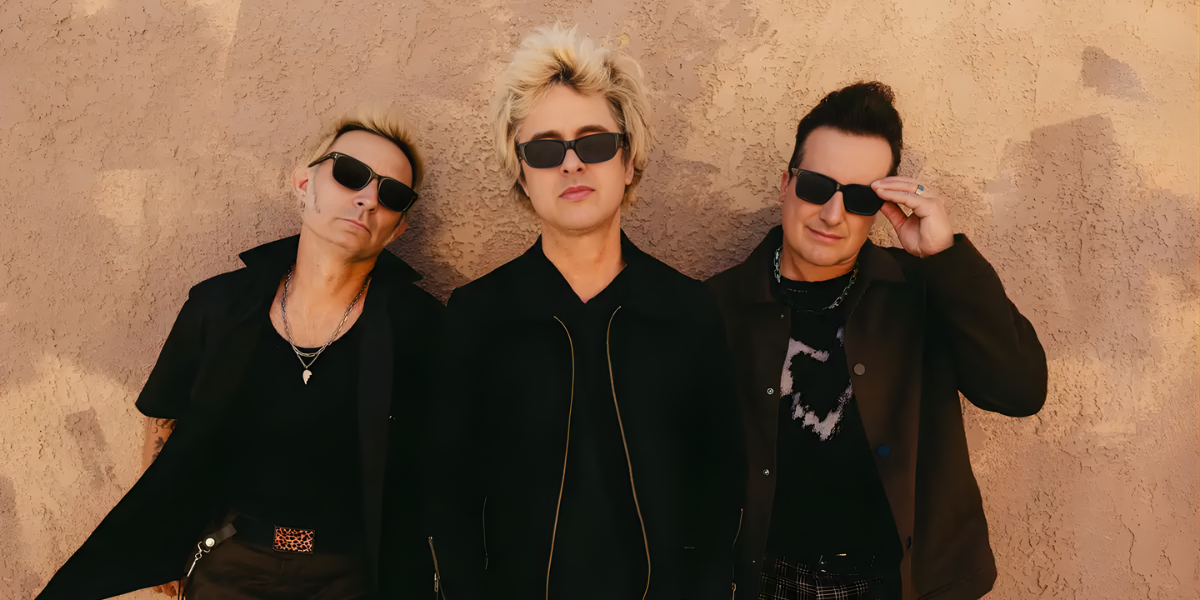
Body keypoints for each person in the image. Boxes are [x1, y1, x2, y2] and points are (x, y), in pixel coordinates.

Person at [37, 109, 444, 599]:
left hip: (355, 577)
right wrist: (165, 536)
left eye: (392, 194)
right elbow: (167, 415)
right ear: (303, 183)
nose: (368, 199)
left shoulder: (422, 327)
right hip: (230, 564)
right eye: (350, 173)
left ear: (398, 228)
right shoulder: (218, 306)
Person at [425, 24, 744, 600]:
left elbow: (720, 484)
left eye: (594, 143)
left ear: (628, 161)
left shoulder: (688, 311)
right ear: (522, 174)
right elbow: (448, 493)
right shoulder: (477, 317)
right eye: (546, 149)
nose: (571, 164)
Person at [705, 82, 1048, 600]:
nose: (832, 214)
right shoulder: (717, 307)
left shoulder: (923, 289)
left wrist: (947, 257)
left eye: (860, 197)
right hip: (770, 581)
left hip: (901, 584)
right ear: (786, 184)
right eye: (816, 186)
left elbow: (1020, 392)